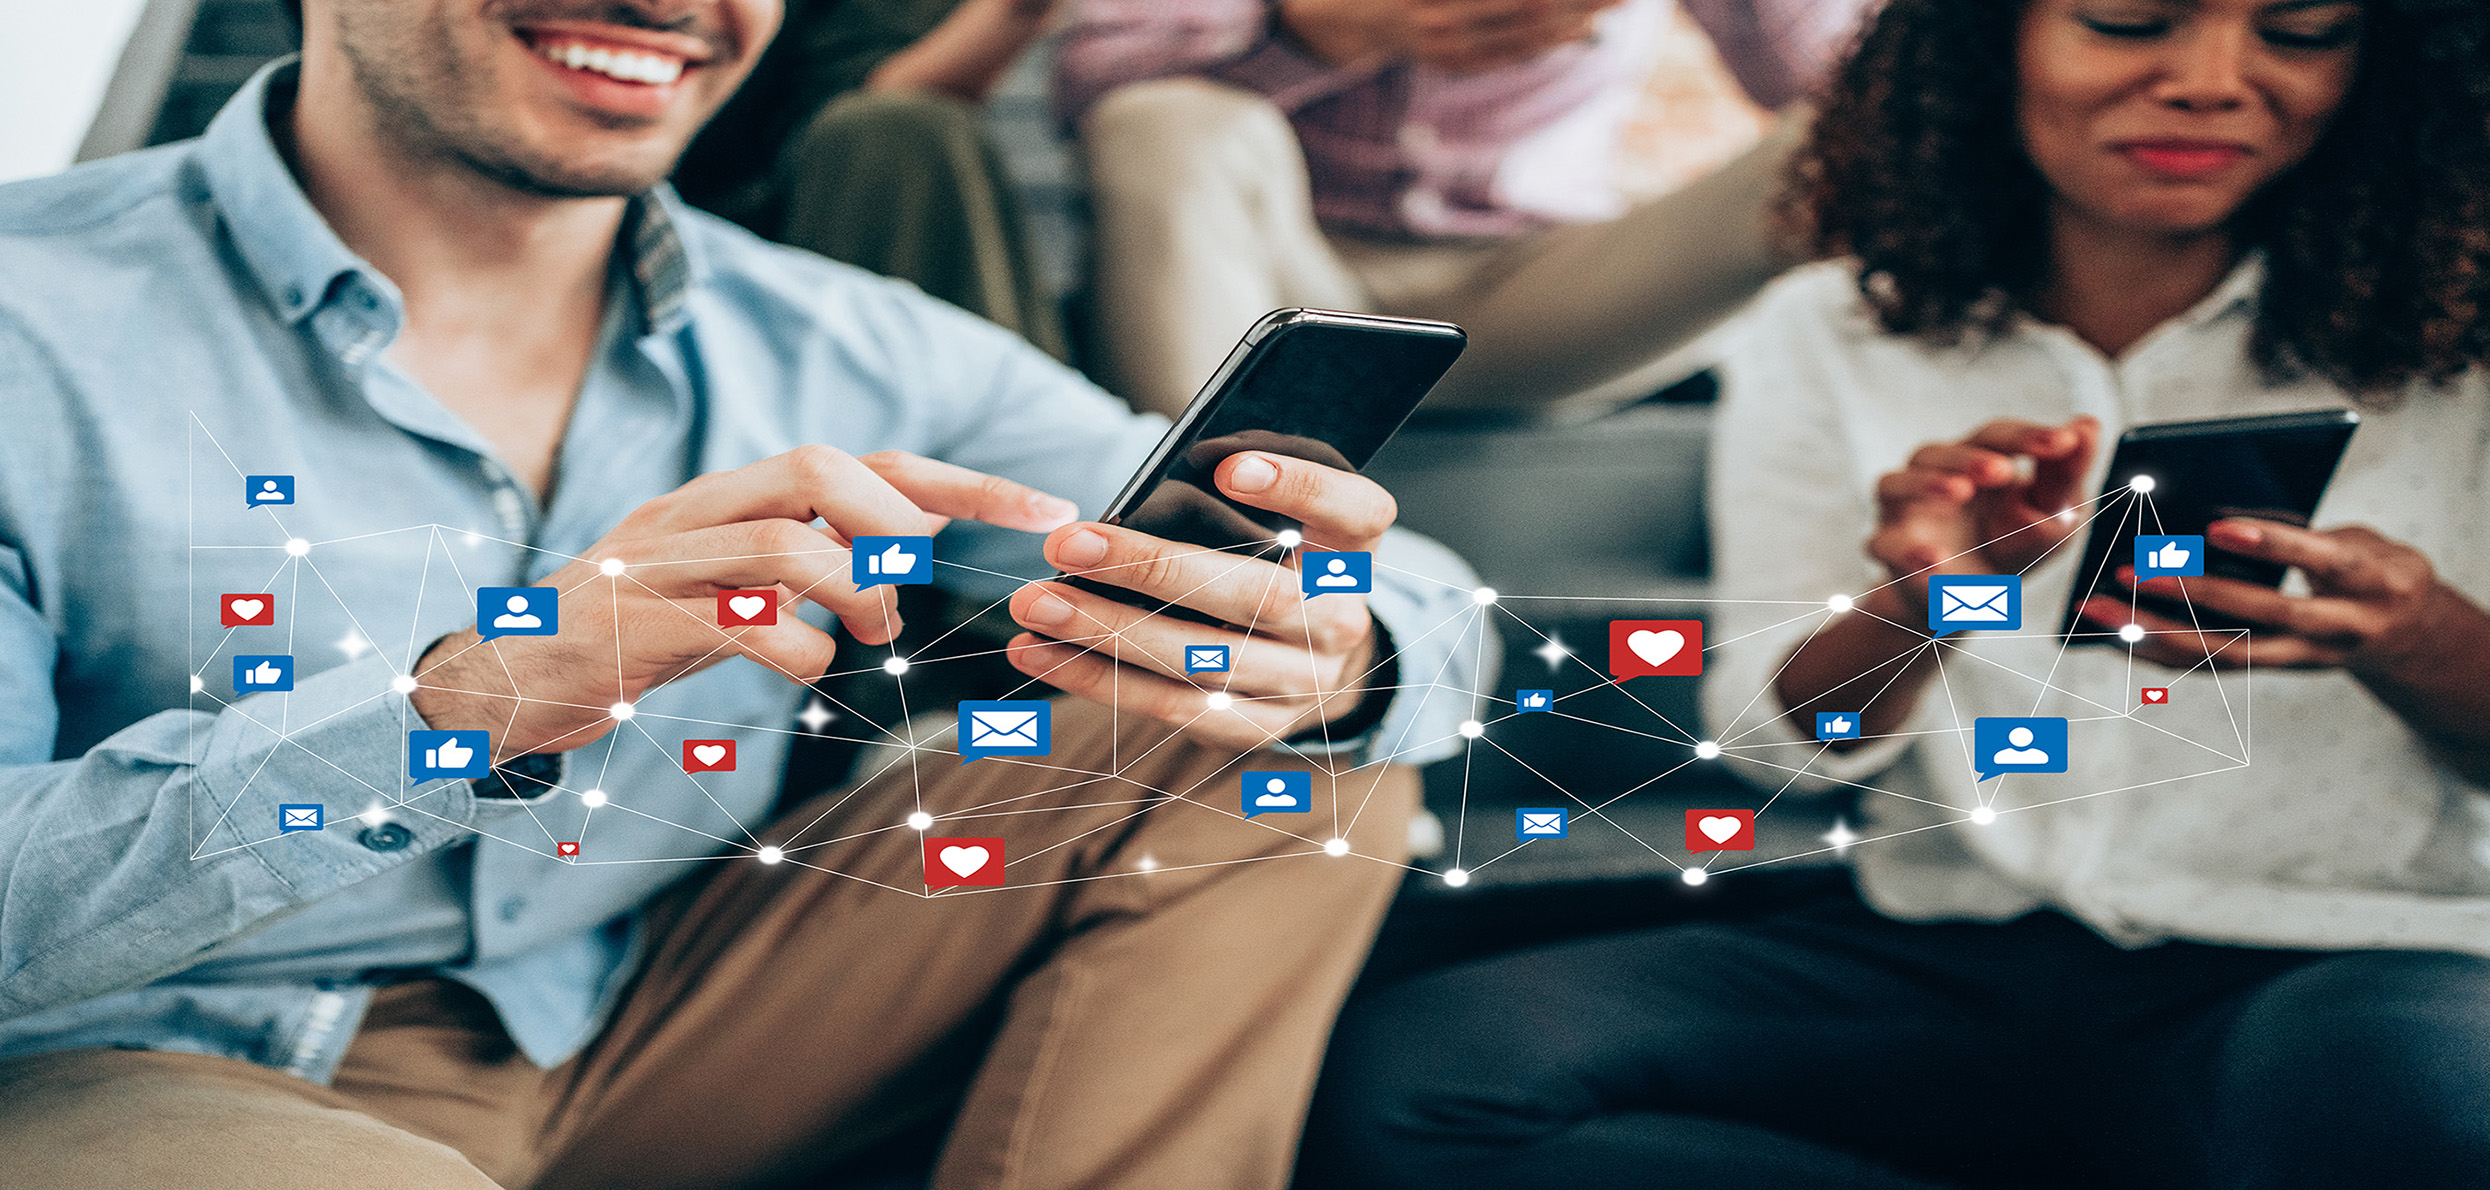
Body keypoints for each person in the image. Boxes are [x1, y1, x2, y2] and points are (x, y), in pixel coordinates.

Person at [0, 1, 1489, 1186]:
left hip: (643, 1029)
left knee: (1307, 759)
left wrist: (1336, 644)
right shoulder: (33, 316)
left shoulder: (843, 336)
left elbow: (1423, 608)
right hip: (142, 1060)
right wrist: (472, 696)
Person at [1304, 0, 2490, 1186]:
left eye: (2302, 31)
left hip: (2346, 959)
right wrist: (1925, 605)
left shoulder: (2464, 336)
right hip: (1962, 952)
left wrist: (2419, 637)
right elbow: (1788, 752)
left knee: (2412, 1113)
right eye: (2129, 21)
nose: (2214, 79)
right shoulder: (1839, 322)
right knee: (1423, 1084)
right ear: (1986, 39)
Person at [1055, 0, 1871, 416]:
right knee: (1159, 121)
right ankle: (1195, 535)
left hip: (1545, 290)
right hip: (1270, 270)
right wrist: (1318, 26)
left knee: (1844, 144)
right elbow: (1089, 84)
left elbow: (1866, 88)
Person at [673, 0, 1073, 357]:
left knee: (902, 131)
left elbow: (875, 89)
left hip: (817, 183)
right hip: (728, 183)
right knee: (894, 131)